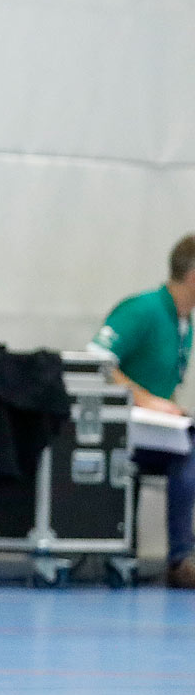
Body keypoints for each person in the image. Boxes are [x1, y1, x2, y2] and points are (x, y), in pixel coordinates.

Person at [92, 234, 195, 588]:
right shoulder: (143, 310)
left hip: (157, 432)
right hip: (123, 428)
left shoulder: (185, 324)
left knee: (188, 445)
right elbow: (97, 362)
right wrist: (144, 399)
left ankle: (182, 555)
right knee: (189, 455)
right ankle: (181, 558)